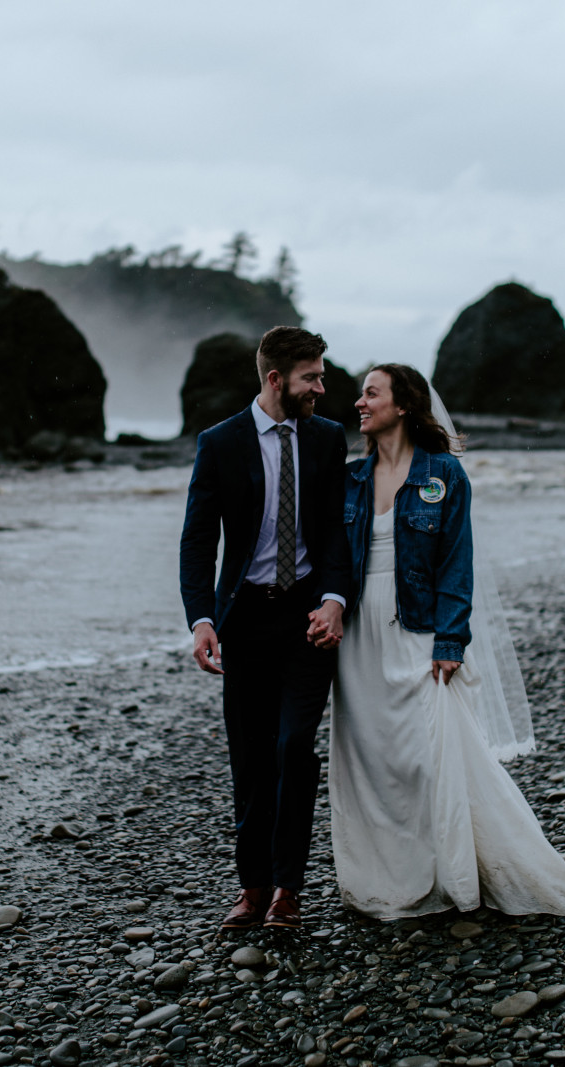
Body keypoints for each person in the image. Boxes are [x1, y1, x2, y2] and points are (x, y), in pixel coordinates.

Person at [328, 362, 565, 920]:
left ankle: (459, 870)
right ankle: (390, 881)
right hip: (356, 636)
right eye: (360, 394)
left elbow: (457, 564)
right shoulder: (350, 479)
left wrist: (450, 639)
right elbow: (332, 563)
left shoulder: (443, 476)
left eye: (371, 393)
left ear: (402, 405)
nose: (359, 403)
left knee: (429, 754)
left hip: (419, 626)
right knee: (372, 760)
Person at [179, 326, 352, 930]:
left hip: (308, 617)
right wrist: (201, 619)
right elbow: (199, 540)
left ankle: (287, 891)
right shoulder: (220, 442)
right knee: (250, 757)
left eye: (321, 376)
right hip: (245, 618)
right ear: (277, 379)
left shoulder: (328, 440)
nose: (322, 388)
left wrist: (334, 599)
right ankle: (251, 888)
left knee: (293, 750)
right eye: (311, 377)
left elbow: (336, 531)